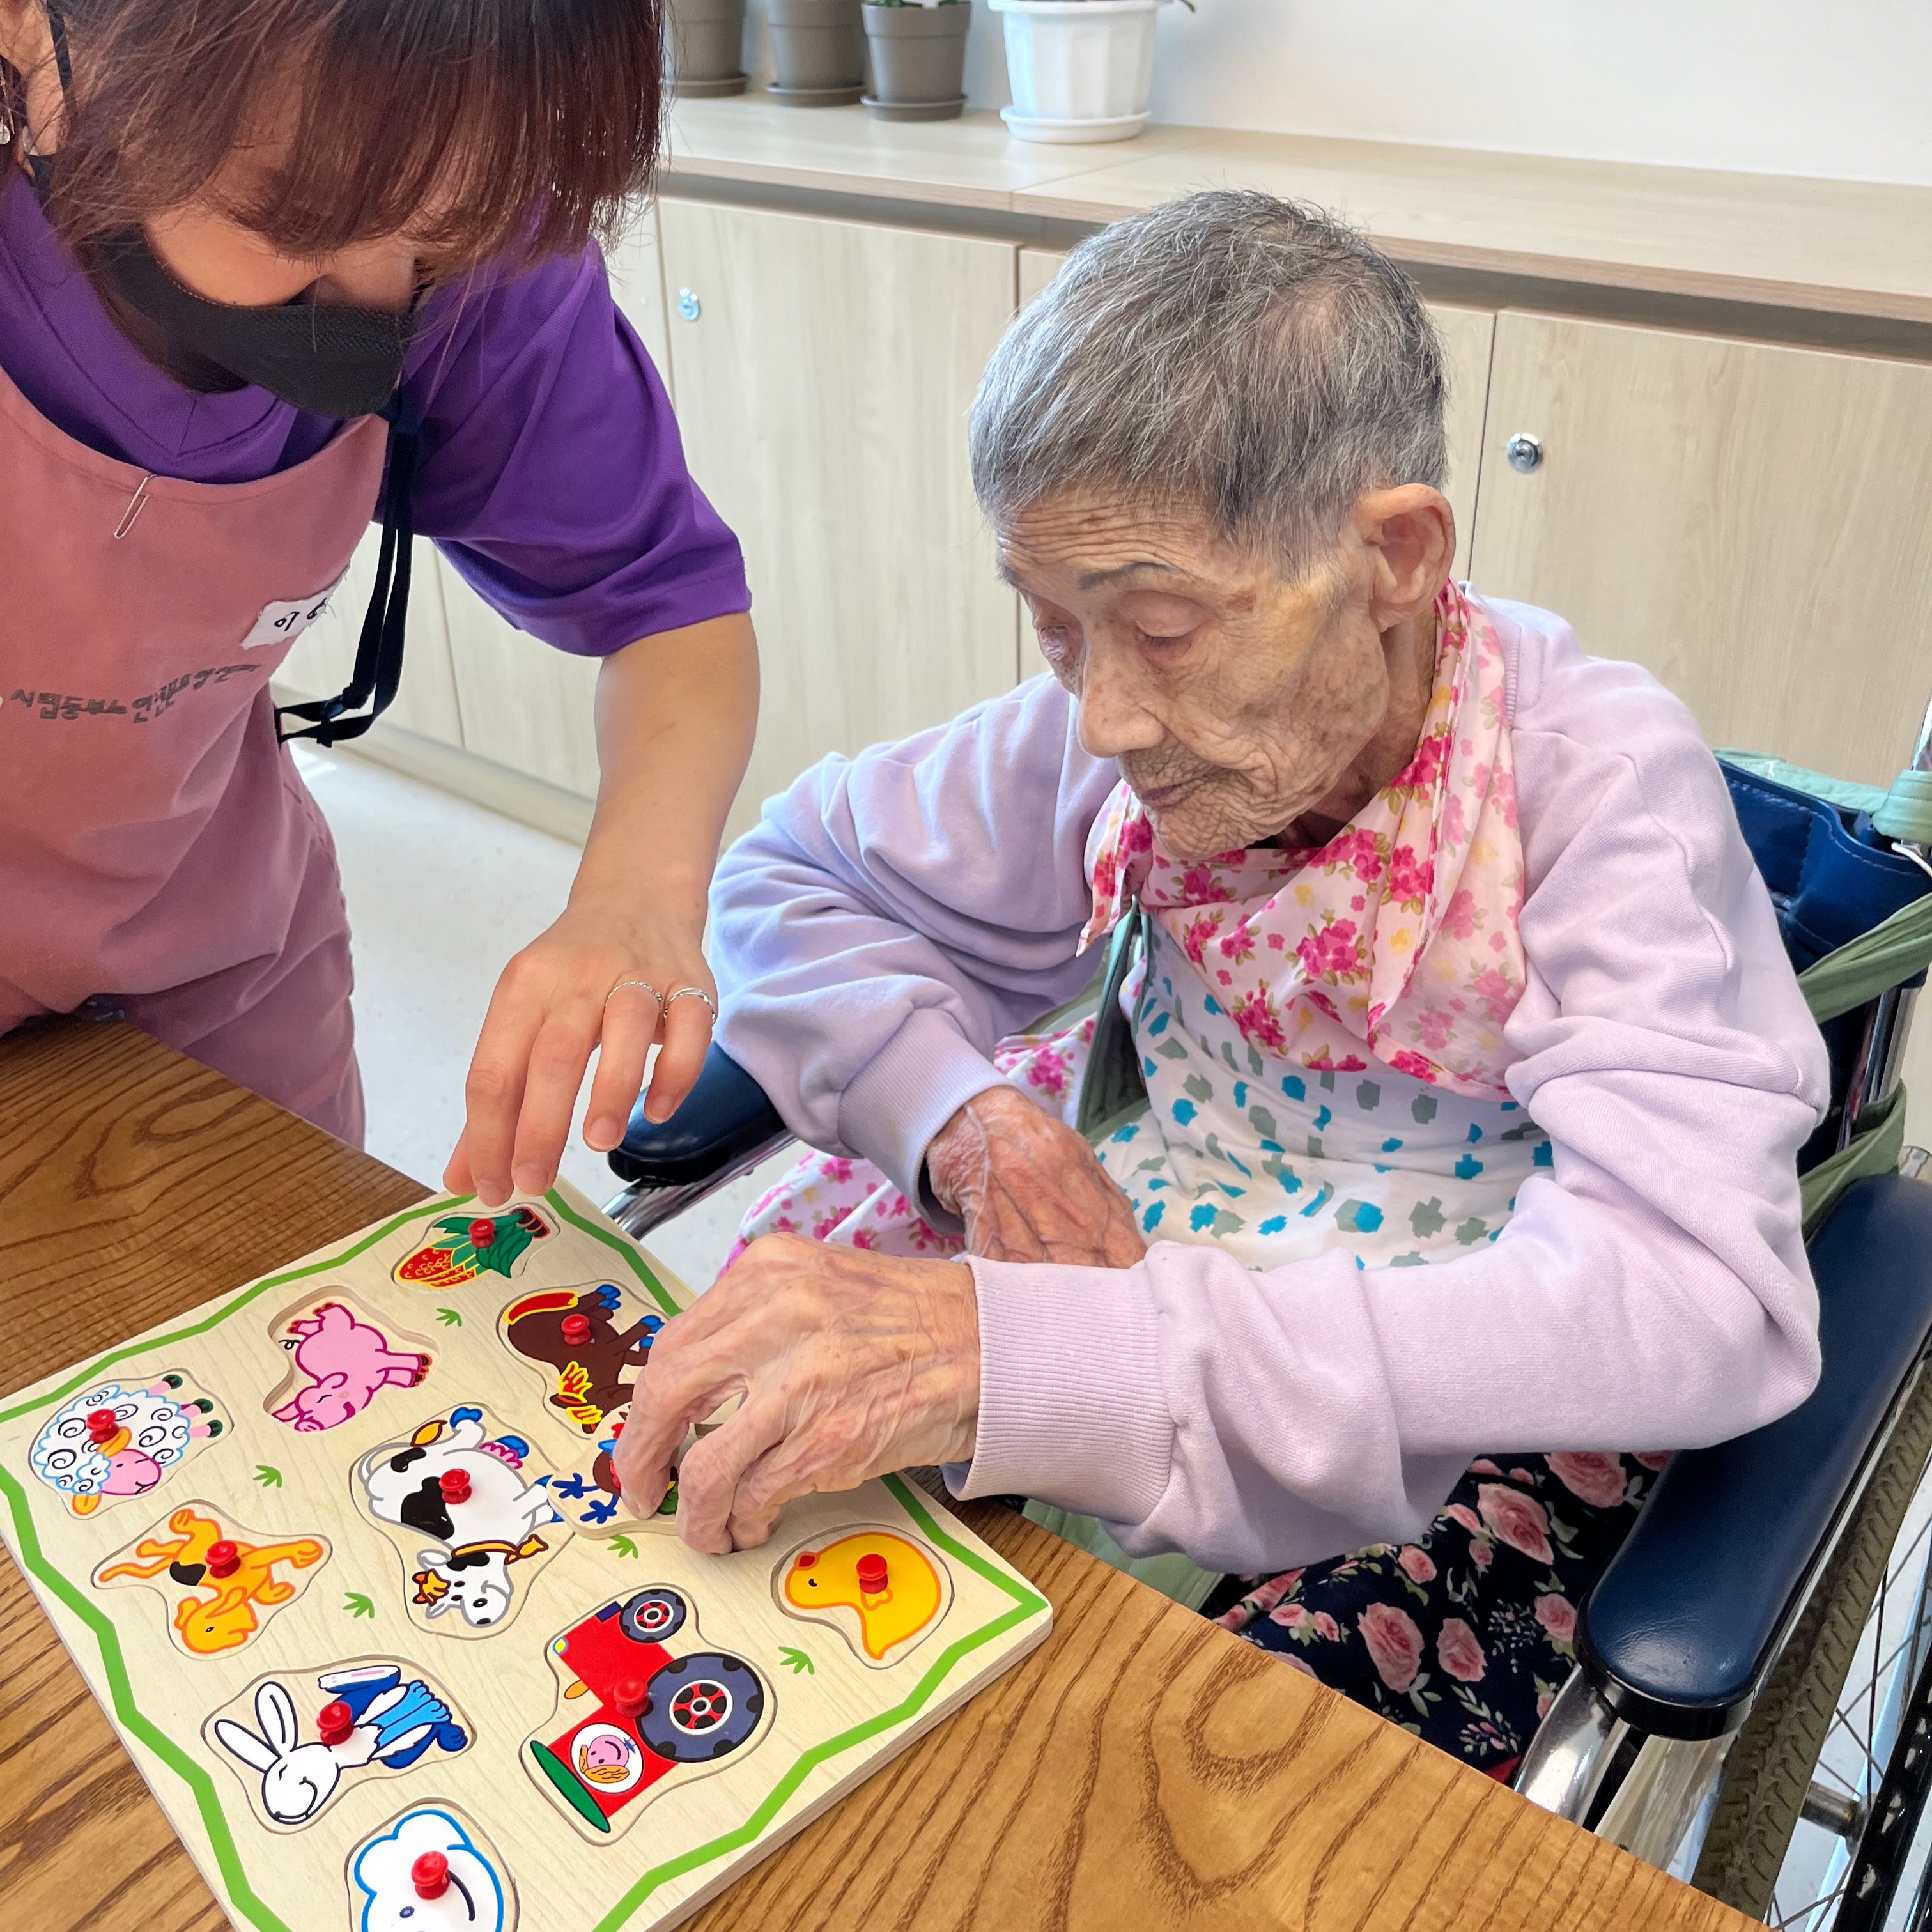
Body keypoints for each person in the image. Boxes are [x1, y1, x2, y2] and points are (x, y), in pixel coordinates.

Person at [615, 191, 1830, 1775]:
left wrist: (1058, 1359)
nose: (1105, 721)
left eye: (1166, 629)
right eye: (1056, 629)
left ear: (1393, 557)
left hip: (1458, 1318)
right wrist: (962, 1120)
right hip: (1156, 1186)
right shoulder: (1123, 729)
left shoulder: (1598, 791)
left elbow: (1696, 1297)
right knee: (747, 1542)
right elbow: (788, 876)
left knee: (1174, 1771)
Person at [0, 0, 757, 1206]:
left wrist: (638, 897)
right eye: (298, 216)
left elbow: (670, 606)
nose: (378, 300)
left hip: (216, 956)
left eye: (441, 244)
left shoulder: (473, 260)